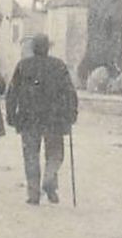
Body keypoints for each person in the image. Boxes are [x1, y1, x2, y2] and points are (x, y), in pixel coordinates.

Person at [6, 34, 79, 205]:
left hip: (28, 117)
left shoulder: (23, 66)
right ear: (48, 48)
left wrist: (11, 115)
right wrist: (72, 113)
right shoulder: (58, 65)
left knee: (31, 154)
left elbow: (12, 93)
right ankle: (49, 179)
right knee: (55, 154)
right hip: (54, 118)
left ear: (33, 48)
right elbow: (70, 92)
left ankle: (33, 193)